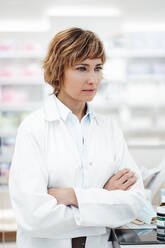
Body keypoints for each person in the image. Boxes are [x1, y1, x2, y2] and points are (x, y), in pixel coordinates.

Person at [9, 27, 145, 248]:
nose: (93, 79)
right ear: (58, 70)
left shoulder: (109, 129)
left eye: (98, 68)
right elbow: (34, 216)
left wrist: (71, 196)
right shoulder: (34, 128)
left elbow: (134, 203)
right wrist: (103, 201)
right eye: (82, 68)